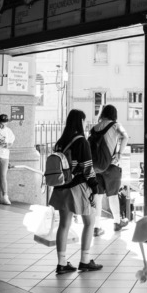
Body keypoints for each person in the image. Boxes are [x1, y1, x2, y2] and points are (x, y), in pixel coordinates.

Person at [49, 108, 102, 275]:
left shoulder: (60, 142)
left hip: (61, 187)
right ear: (80, 122)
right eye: (84, 120)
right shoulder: (81, 142)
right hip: (77, 187)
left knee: (64, 224)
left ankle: (62, 263)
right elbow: (87, 168)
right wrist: (94, 186)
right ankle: (85, 260)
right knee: (89, 222)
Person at [90, 104, 130, 234]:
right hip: (111, 166)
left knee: (98, 196)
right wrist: (119, 153)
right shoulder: (115, 125)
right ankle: (117, 223)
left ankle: (96, 227)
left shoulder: (95, 127)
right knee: (113, 196)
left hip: (96, 167)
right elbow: (126, 136)